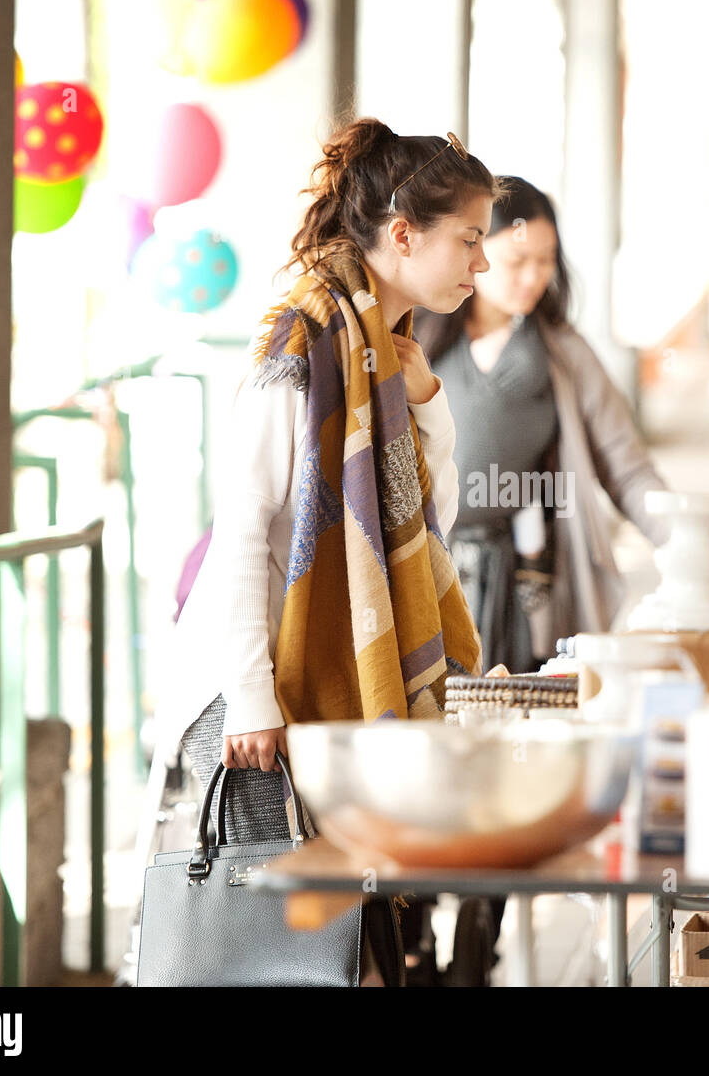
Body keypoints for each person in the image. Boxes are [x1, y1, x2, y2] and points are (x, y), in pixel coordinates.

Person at [151, 117, 498, 986]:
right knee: (286, 953)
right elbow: (240, 529)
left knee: (346, 947)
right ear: (404, 233)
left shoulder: (389, 362)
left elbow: (431, 529)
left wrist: (427, 403)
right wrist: (251, 698)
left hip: (335, 696)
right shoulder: (299, 350)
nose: (480, 264)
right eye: (470, 239)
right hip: (260, 698)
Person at [410, 177, 671, 984]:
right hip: (435, 585)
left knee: (513, 764)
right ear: (476, 253)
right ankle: (410, 934)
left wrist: (692, 539)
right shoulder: (417, 337)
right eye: (514, 258)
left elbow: (629, 466)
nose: (529, 277)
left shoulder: (561, 349)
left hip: (526, 590)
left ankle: (475, 946)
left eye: (545, 263)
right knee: (428, 759)